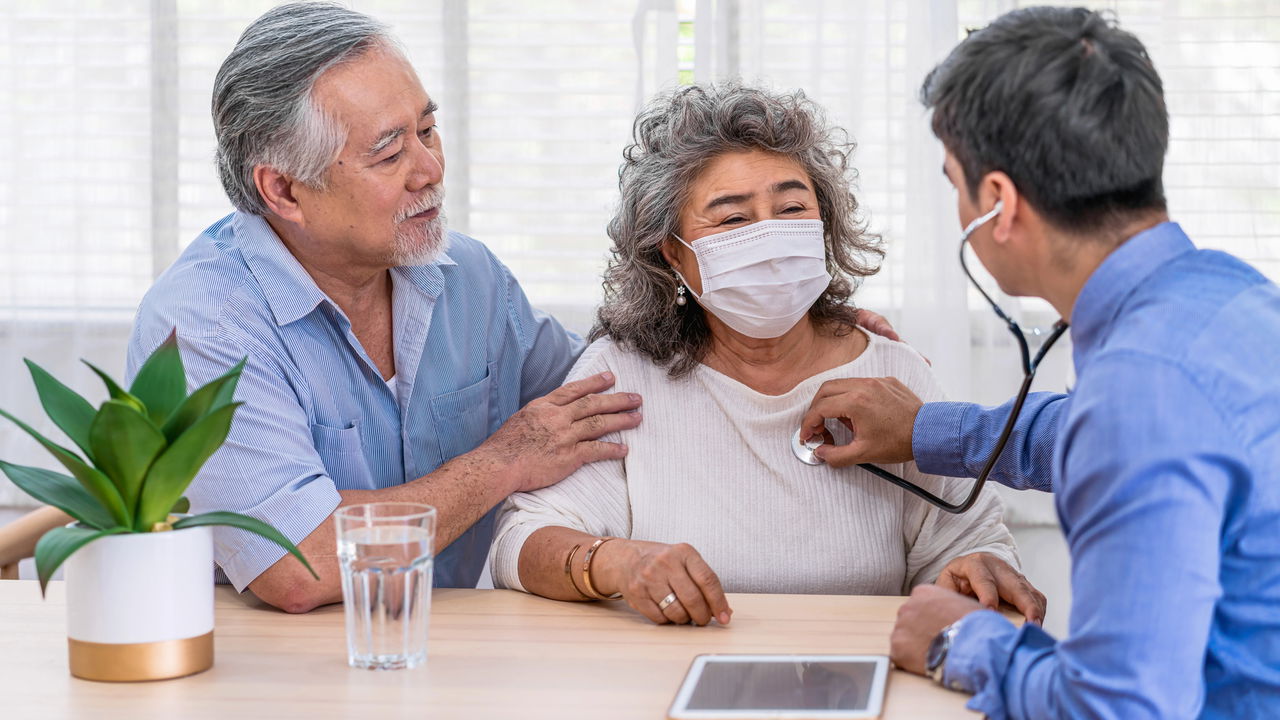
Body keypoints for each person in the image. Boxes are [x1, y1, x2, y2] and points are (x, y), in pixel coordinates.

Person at [800, 7, 1280, 718]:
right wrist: (927, 429)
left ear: (997, 202)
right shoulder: (1227, 295)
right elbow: (1094, 431)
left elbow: (1115, 708)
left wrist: (958, 640)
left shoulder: (1140, 389)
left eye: (953, 181)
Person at [125, 2, 643, 613]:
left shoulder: (470, 277)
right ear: (284, 189)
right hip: (276, 676)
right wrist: (507, 459)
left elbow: (606, 399)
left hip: (448, 652)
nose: (430, 170)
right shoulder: (206, 324)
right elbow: (303, 562)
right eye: (389, 153)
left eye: (427, 130)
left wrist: (782, 381)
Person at [487, 84, 1045, 627]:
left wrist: (971, 570)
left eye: (792, 207)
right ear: (673, 256)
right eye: (732, 219)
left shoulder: (893, 370)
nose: (770, 237)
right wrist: (616, 562)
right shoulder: (624, 375)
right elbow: (521, 542)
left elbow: (970, 547)